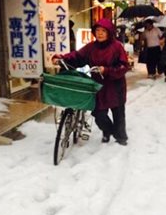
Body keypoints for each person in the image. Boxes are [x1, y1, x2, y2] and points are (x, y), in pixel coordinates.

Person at [52, 18, 129, 146]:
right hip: (98, 85)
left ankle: (121, 138)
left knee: (118, 113)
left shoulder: (117, 47)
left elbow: (124, 66)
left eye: (103, 31)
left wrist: (107, 69)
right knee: (99, 114)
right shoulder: (91, 47)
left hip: (115, 85)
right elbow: (77, 56)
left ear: (109, 32)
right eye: (97, 30)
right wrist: (61, 58)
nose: (99, 33)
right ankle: (108, 131)